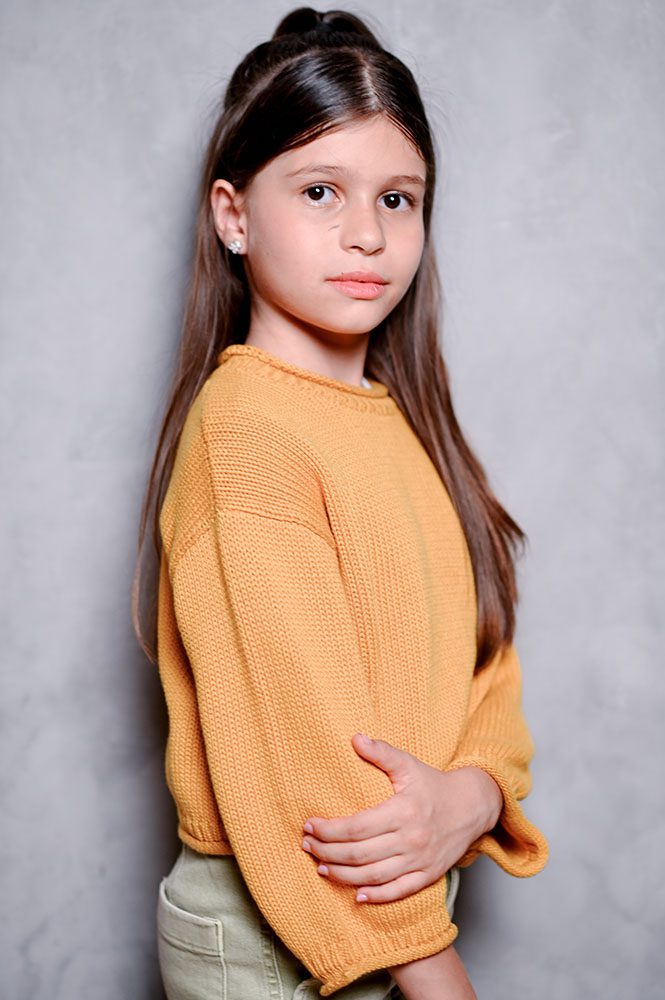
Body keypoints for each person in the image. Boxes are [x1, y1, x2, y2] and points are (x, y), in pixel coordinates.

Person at [131, 6, 549, 999]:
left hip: (391, 914)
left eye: (397, 199)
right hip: (287, 931)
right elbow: (313, 775)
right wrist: (438, 977)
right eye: (320, 190)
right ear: (233, 215)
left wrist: (473, 792)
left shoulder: (399, 420)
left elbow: (484, 659)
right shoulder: (247, 431)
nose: (366, 233)